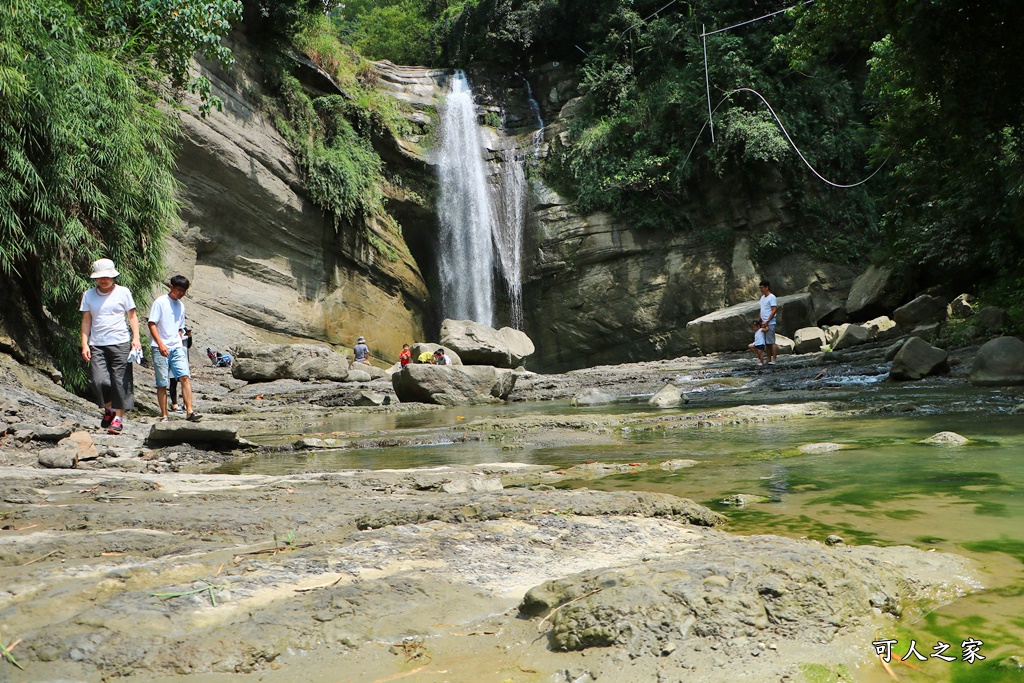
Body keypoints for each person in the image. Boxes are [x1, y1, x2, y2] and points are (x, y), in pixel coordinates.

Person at [79, 258, 141, 435]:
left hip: (120, 342)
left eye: (107, 276)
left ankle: (118, 419)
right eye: (100, 277)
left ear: (113, 276)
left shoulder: (123, 292)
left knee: (120, 381)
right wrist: (85, 344)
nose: (104, 280)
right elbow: (86, 320)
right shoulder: (88, 295)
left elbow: (132, 317)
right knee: (100, 380)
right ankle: (109, 410)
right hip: (97, 344)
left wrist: (136, 338)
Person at [148, 275, 202, 423]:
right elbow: (152, 323)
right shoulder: (160, 302)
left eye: (184, 291)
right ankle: (164, 415)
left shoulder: (181, 305)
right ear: (171, 287)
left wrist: (179, 336)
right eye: (179, 290)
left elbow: (180, 326)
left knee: (184, 376)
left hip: (177, 347)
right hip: (160, 347)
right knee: (162, 382)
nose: (181, 293)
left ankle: (189, 411)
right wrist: (160, 344)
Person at [169, 326, 194, 414]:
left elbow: (189, 345)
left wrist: (189, 336)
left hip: (184, 361)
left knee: (185, 382)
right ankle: (174, 404)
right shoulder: (172, 336)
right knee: (173, 382)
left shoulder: (184, 335)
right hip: (173, 361)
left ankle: (186, 404)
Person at [758, 279, 779, 365]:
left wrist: (768, 320)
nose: (761, 289)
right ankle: (768, 359)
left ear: (767, 287)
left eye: (762, 288)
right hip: (763, 323)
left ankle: (774, 359)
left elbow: (774, 310)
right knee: (767, 342)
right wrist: (759, 320)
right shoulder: (762, 298)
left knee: (771, 342)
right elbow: (761, 310)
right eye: (760, 288)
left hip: (770, 322)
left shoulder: (772, 297)